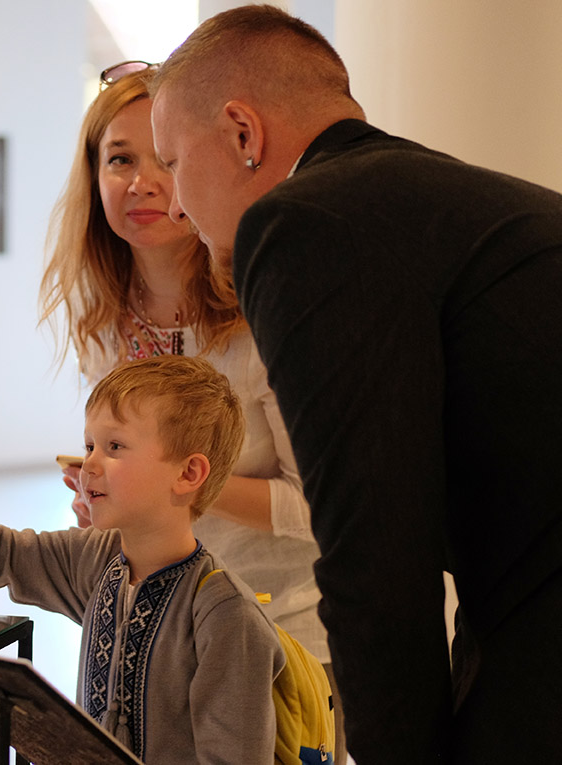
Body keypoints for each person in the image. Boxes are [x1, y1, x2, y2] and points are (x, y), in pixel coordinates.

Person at [150, 5, 562, 762]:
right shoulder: (448, 202)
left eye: (173, 162)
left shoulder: (304, 223)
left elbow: (375, 559)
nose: (174, 204)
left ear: (243, 134)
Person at [39, 63, 345, 754]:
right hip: (152, 646)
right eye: (119, 159)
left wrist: (171, 486)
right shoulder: (103, 326)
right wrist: (106, 499)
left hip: (280, 647)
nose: (142, 181)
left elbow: (320, 509)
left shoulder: (265, 319)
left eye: (163, 157)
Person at [0, 355, 286, 765]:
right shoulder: (96, 559)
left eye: (115, 446)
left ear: (188, 473)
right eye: (90, 445)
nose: (89, 464)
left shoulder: (226, 616)